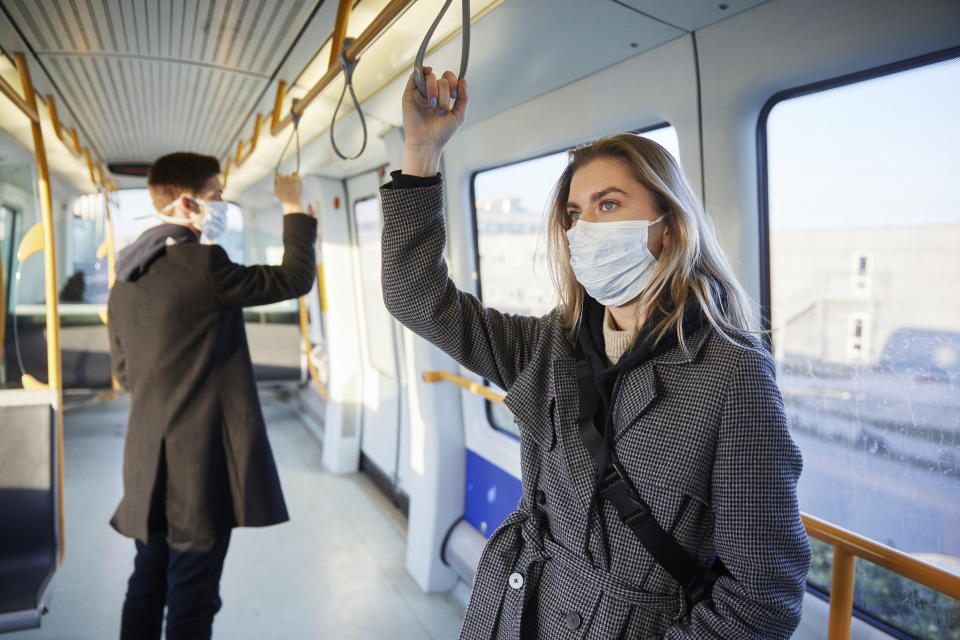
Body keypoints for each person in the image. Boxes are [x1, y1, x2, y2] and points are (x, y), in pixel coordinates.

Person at [381, 69, 811, 638]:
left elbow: (761, 601)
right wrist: (420, 150)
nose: (584, 229)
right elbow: (415, 297)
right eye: (575, 214)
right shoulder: (549, 346)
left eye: (608, 204)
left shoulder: (733, 375)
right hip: (519, 607)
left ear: (669, 226)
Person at [107, 152, 317, 640]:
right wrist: (291, 207)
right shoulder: (202, 263)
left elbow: (124, 373)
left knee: (146, 585)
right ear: (186, 202)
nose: (222, 203)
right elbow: (293, 279)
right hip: (197, 469)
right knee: (192, 600)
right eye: (217, 195)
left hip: (144, 464)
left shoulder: (124, 277)